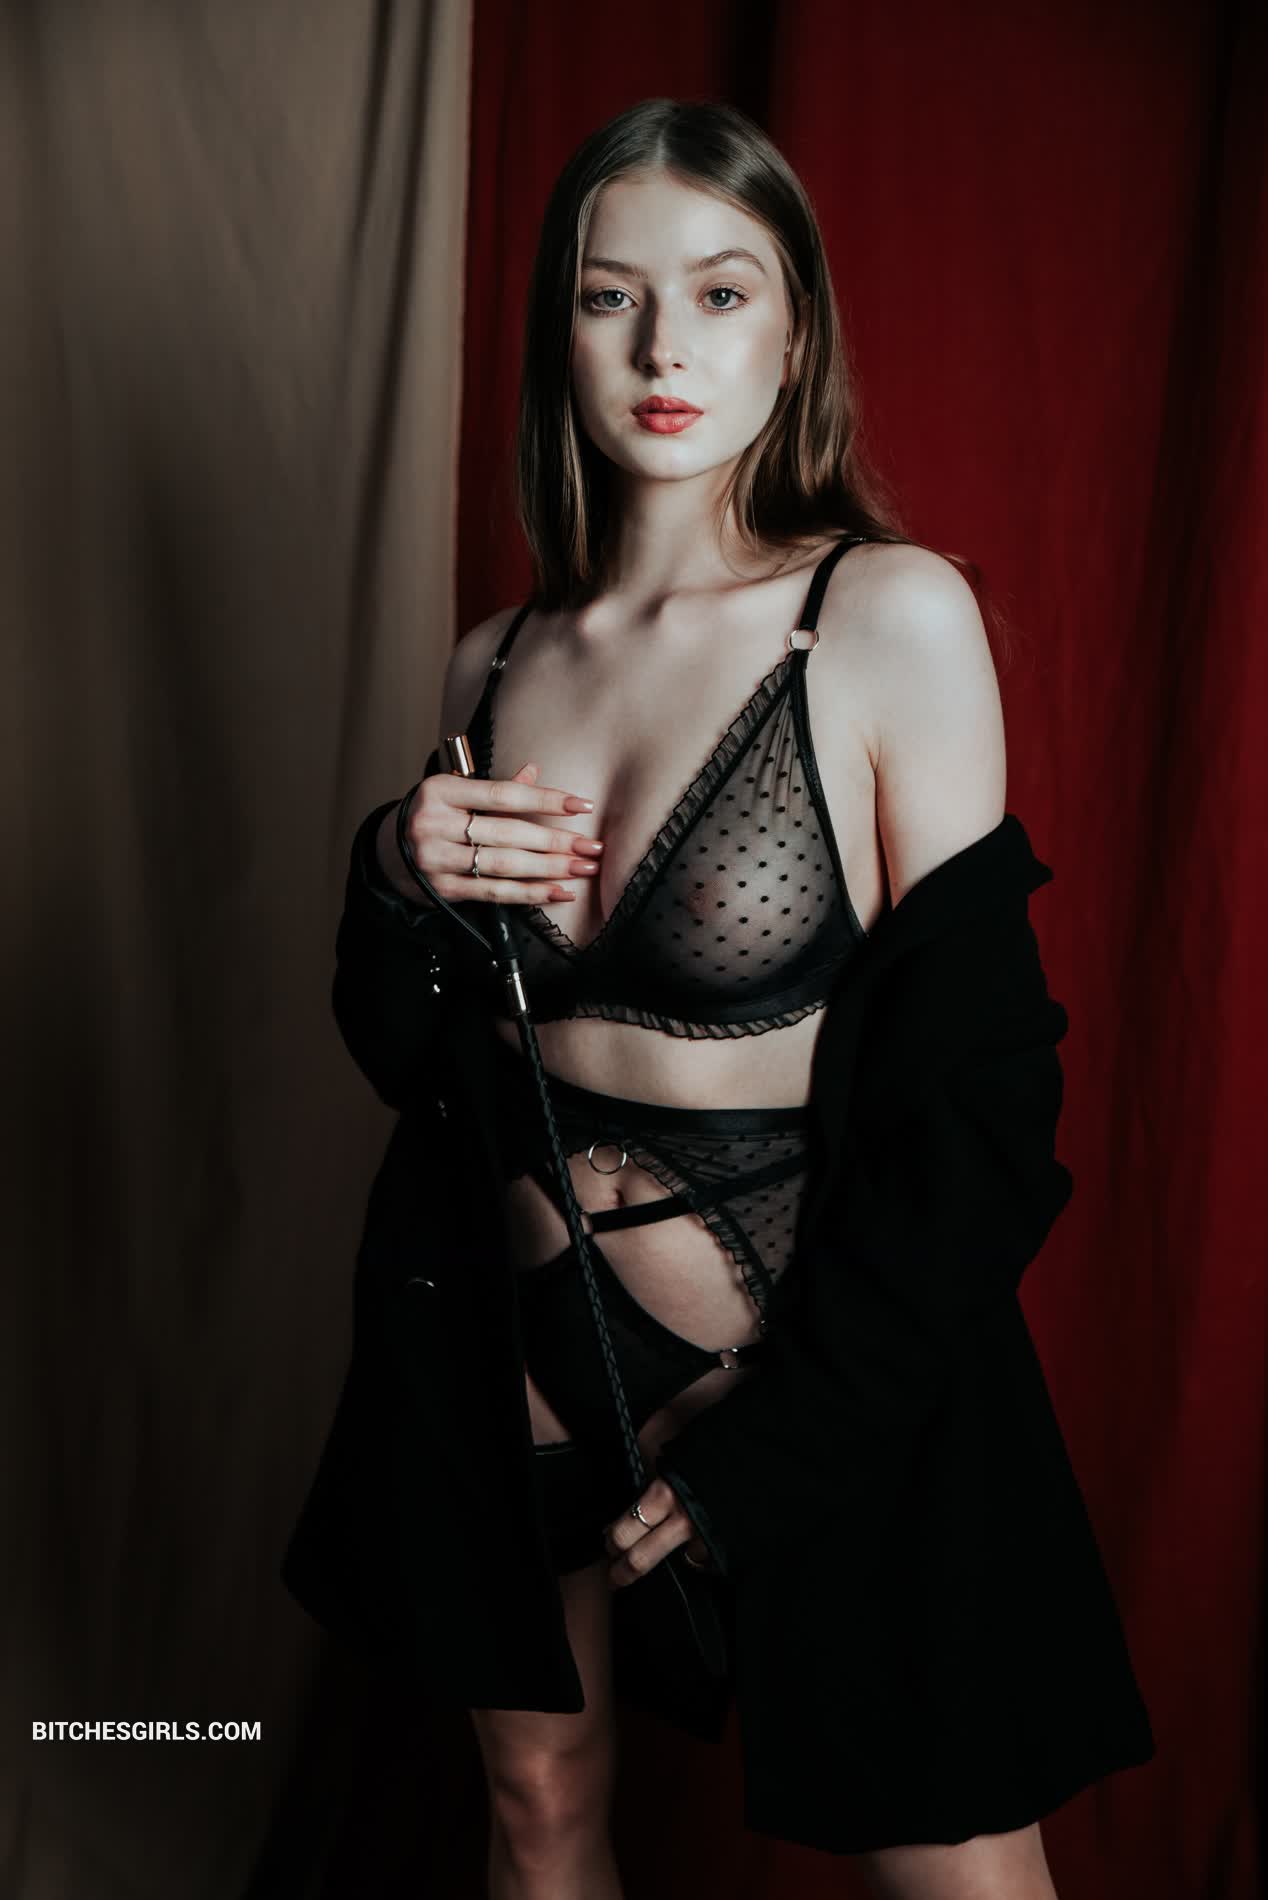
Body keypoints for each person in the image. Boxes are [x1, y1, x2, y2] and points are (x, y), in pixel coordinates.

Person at [283, 98, 1154, 1898]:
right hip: (507, 1341)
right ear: (561, 332)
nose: (664, 348)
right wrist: (391, 869)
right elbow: (414, 1059)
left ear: (796, 329)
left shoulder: (887, 619)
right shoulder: (493, 662)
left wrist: (789, 1447)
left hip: (816, 1355)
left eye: (721, 292)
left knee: (953, 1862)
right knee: (537, 1815)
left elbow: (987, 1113)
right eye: (611, 298)